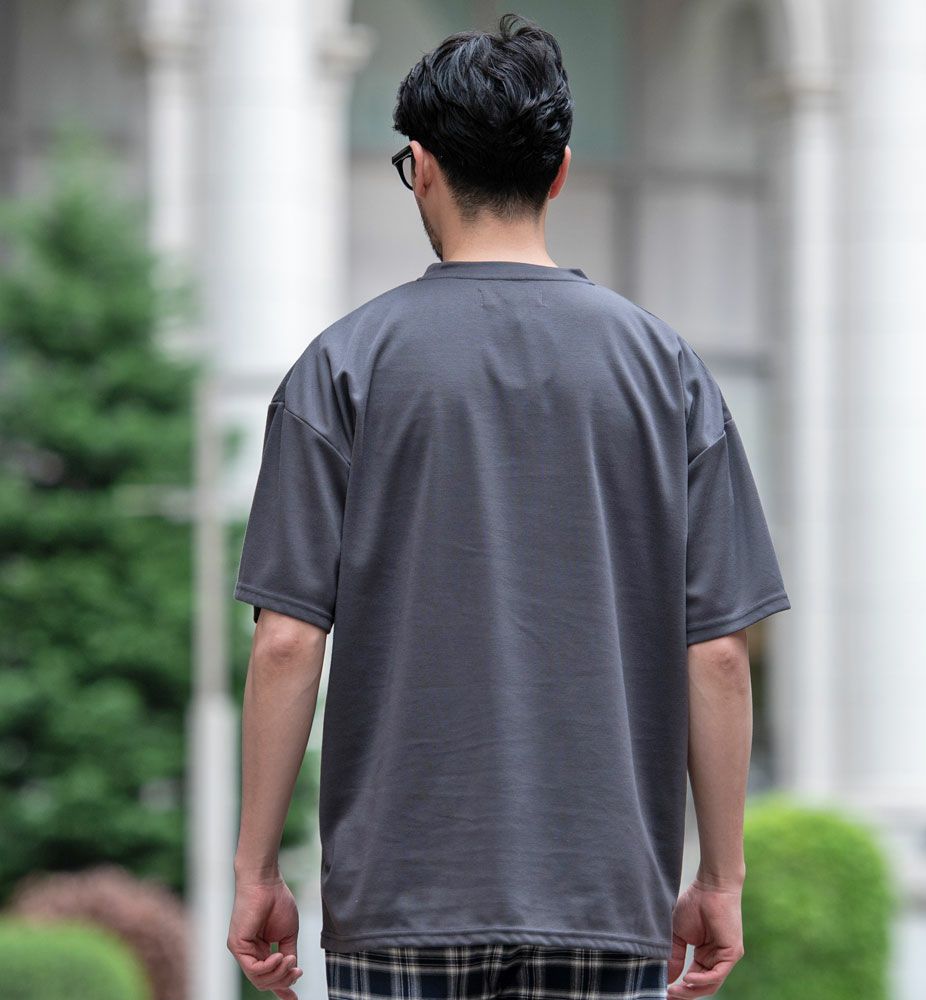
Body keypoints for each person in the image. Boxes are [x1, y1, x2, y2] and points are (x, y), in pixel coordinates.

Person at [226, 12, 790, 1000]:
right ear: (559, 171)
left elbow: (285, 643)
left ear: (422, 167)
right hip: (605, 899)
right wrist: (719, 878)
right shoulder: (666, 372)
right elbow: (718, 653)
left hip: (399, 900)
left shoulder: (342, 366)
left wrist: (256, 870)